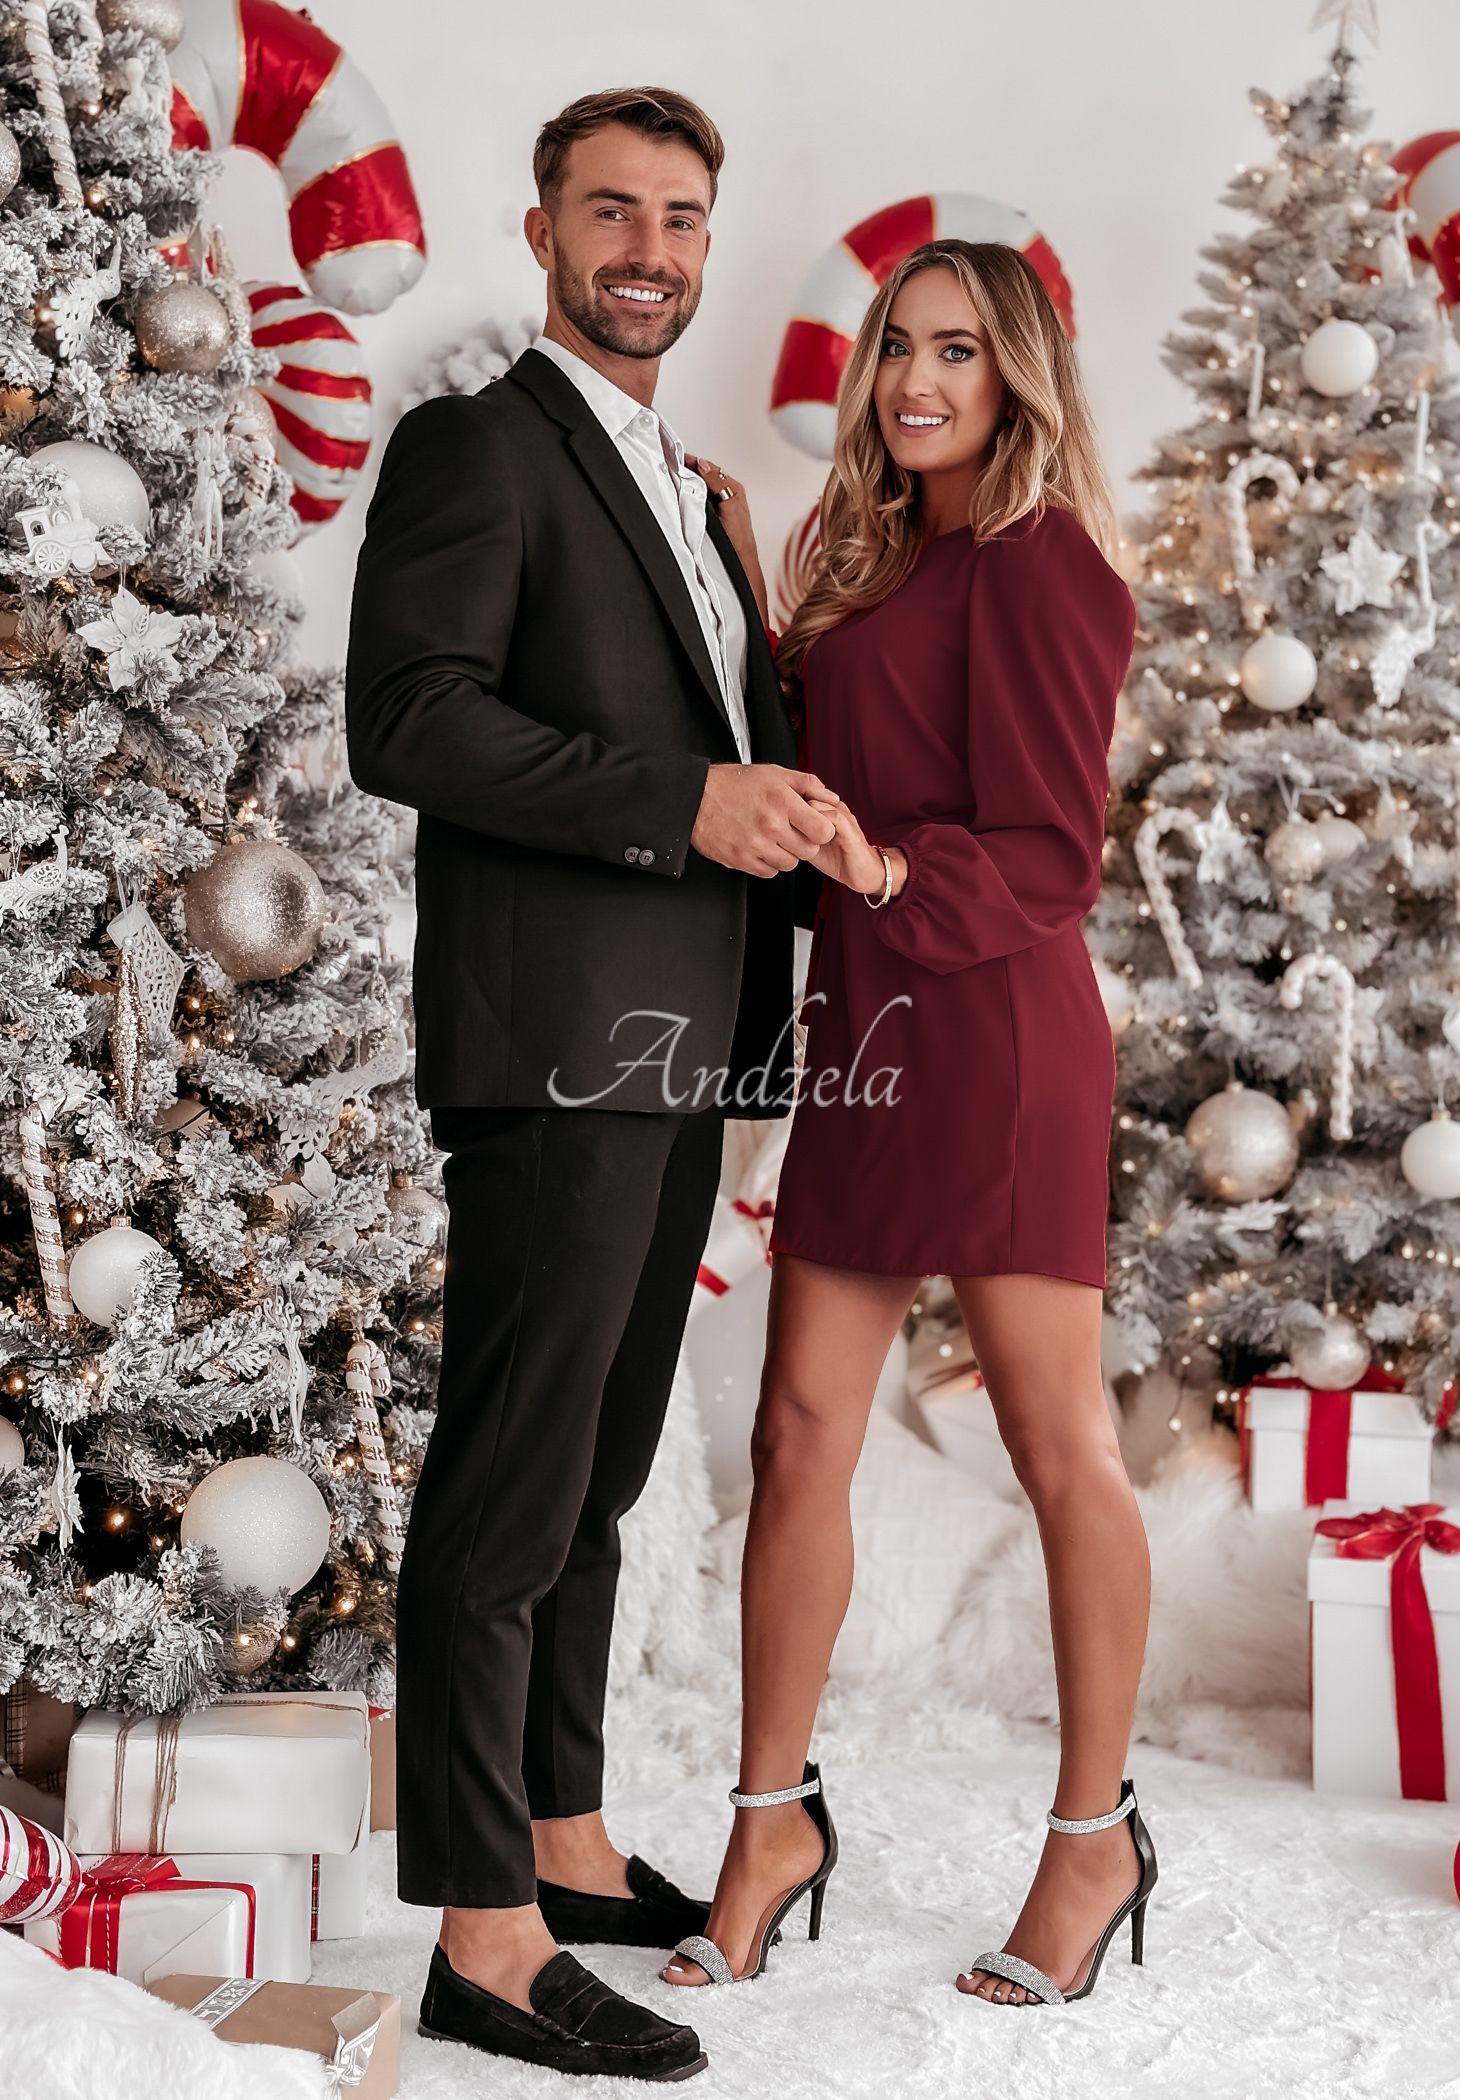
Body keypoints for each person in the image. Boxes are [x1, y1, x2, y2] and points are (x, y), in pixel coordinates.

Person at [345, 86, 836, 2082]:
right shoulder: (478, 443)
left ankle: (558, 1834)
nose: (649, 249)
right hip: (555, 1045)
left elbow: (723, 739)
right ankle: (481, 1933)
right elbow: (410, 718)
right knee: (511, 1480)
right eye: (611, 211)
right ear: (541, 230)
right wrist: (681, 801)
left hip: (681, 1048)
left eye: (681, 216)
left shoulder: (688, 491)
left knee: (601, 1479)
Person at [663, 239, 1157, 2010]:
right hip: (870, 1028)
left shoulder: (1045, 562)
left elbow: (1053, 852)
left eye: (958, 350)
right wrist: (744, 573)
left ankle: (1093, 1839)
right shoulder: (870, 556)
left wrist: (883, 870)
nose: (918, 381)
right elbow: (812, 767)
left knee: (1056, 1445)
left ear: (1017, 373)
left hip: (1003, 1038)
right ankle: (768, 1824)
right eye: (898, 349)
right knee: (801, 1433)